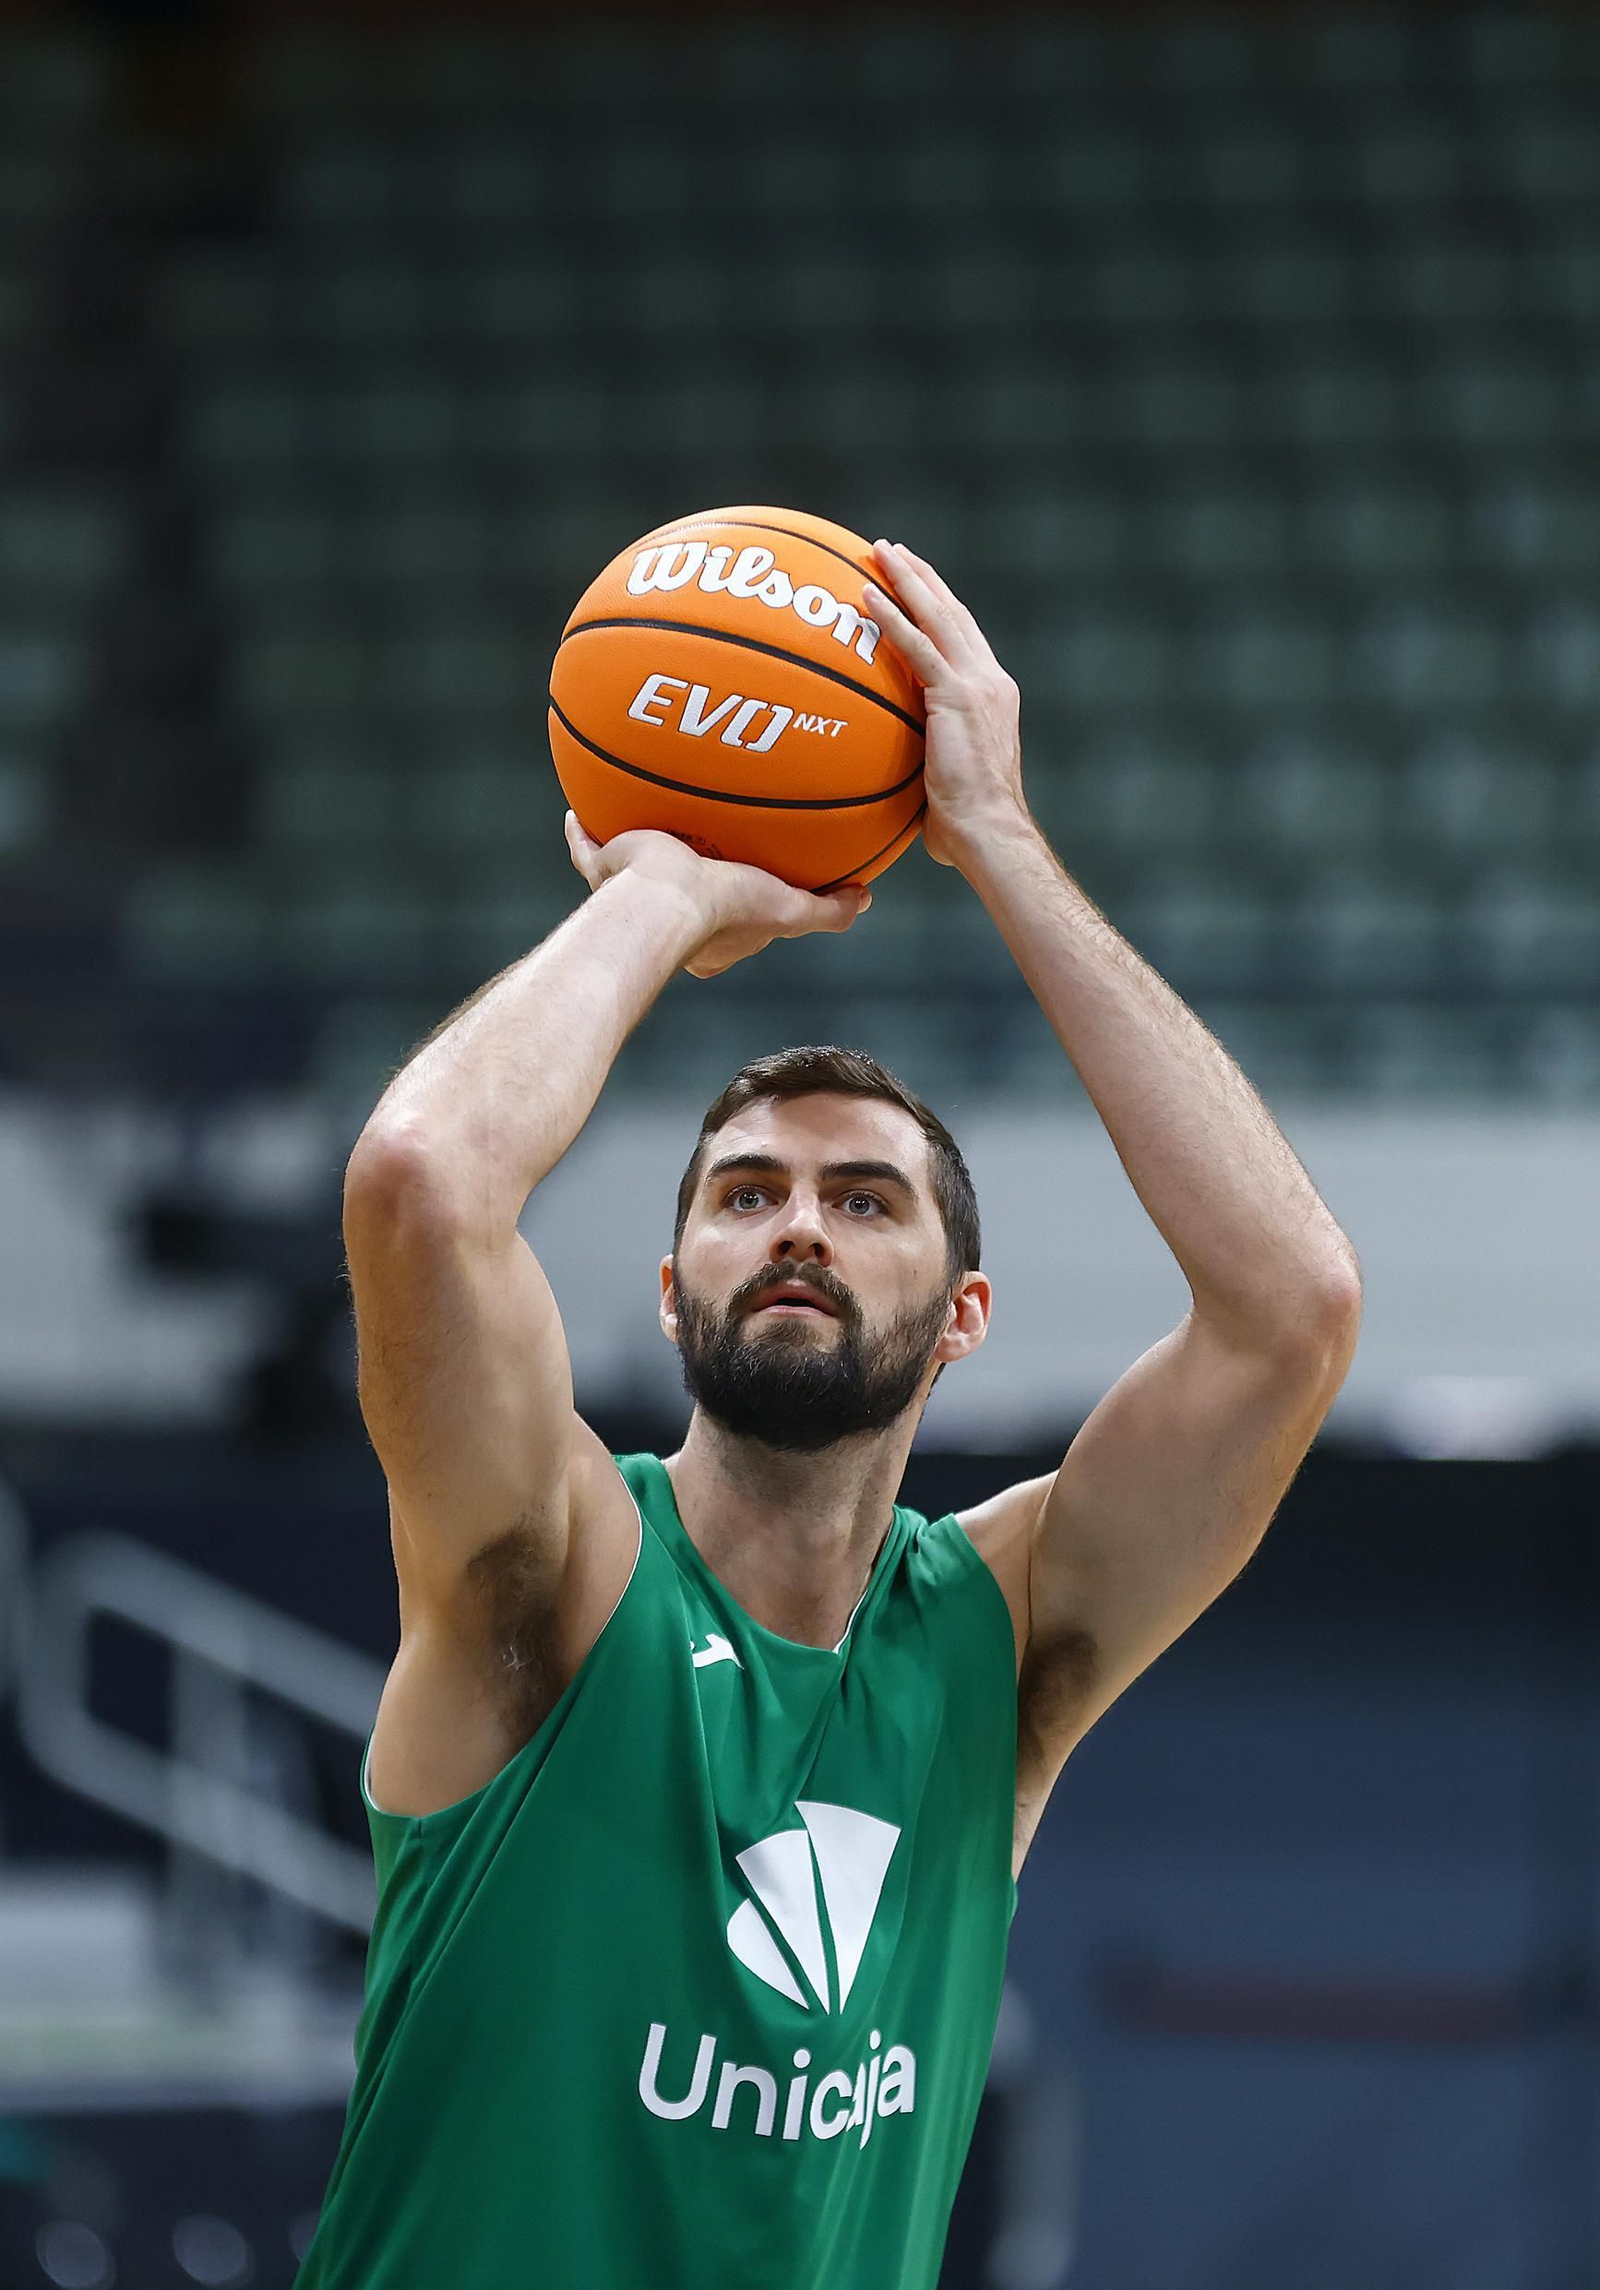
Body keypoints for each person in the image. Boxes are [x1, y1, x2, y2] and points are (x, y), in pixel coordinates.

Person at [296, 541, 1362, 2288]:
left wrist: (1001, 842)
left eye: (865, 1200)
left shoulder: (996, 1646)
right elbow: (421, 1179)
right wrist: (664, 886)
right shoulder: (547, 1579)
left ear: (962, 1323)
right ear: (668, 1292)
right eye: (742, 1193)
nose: (798, 1219)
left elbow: (1293, 1307)